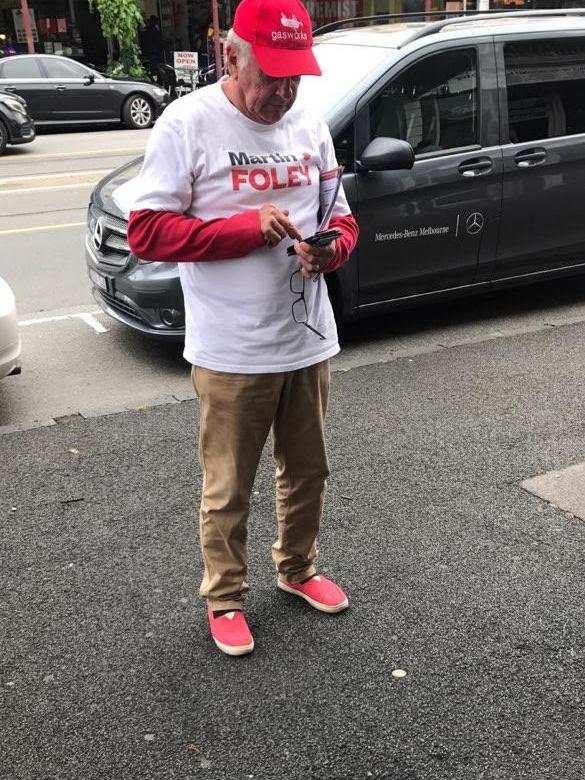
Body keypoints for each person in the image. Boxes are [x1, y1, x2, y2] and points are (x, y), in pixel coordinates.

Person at [126, 0, 359, 657]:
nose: (283, 91)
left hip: (307, 339)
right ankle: (224, 596)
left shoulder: (309, 123)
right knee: (228, 487)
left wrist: (328, 250)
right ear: (231, 57)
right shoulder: (187, 124)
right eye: (271, 75)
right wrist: (243, 228)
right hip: (230, 351)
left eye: (295, 77)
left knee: (308, 470)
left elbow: (340, 217)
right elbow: (146, 232)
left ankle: (298, 569)